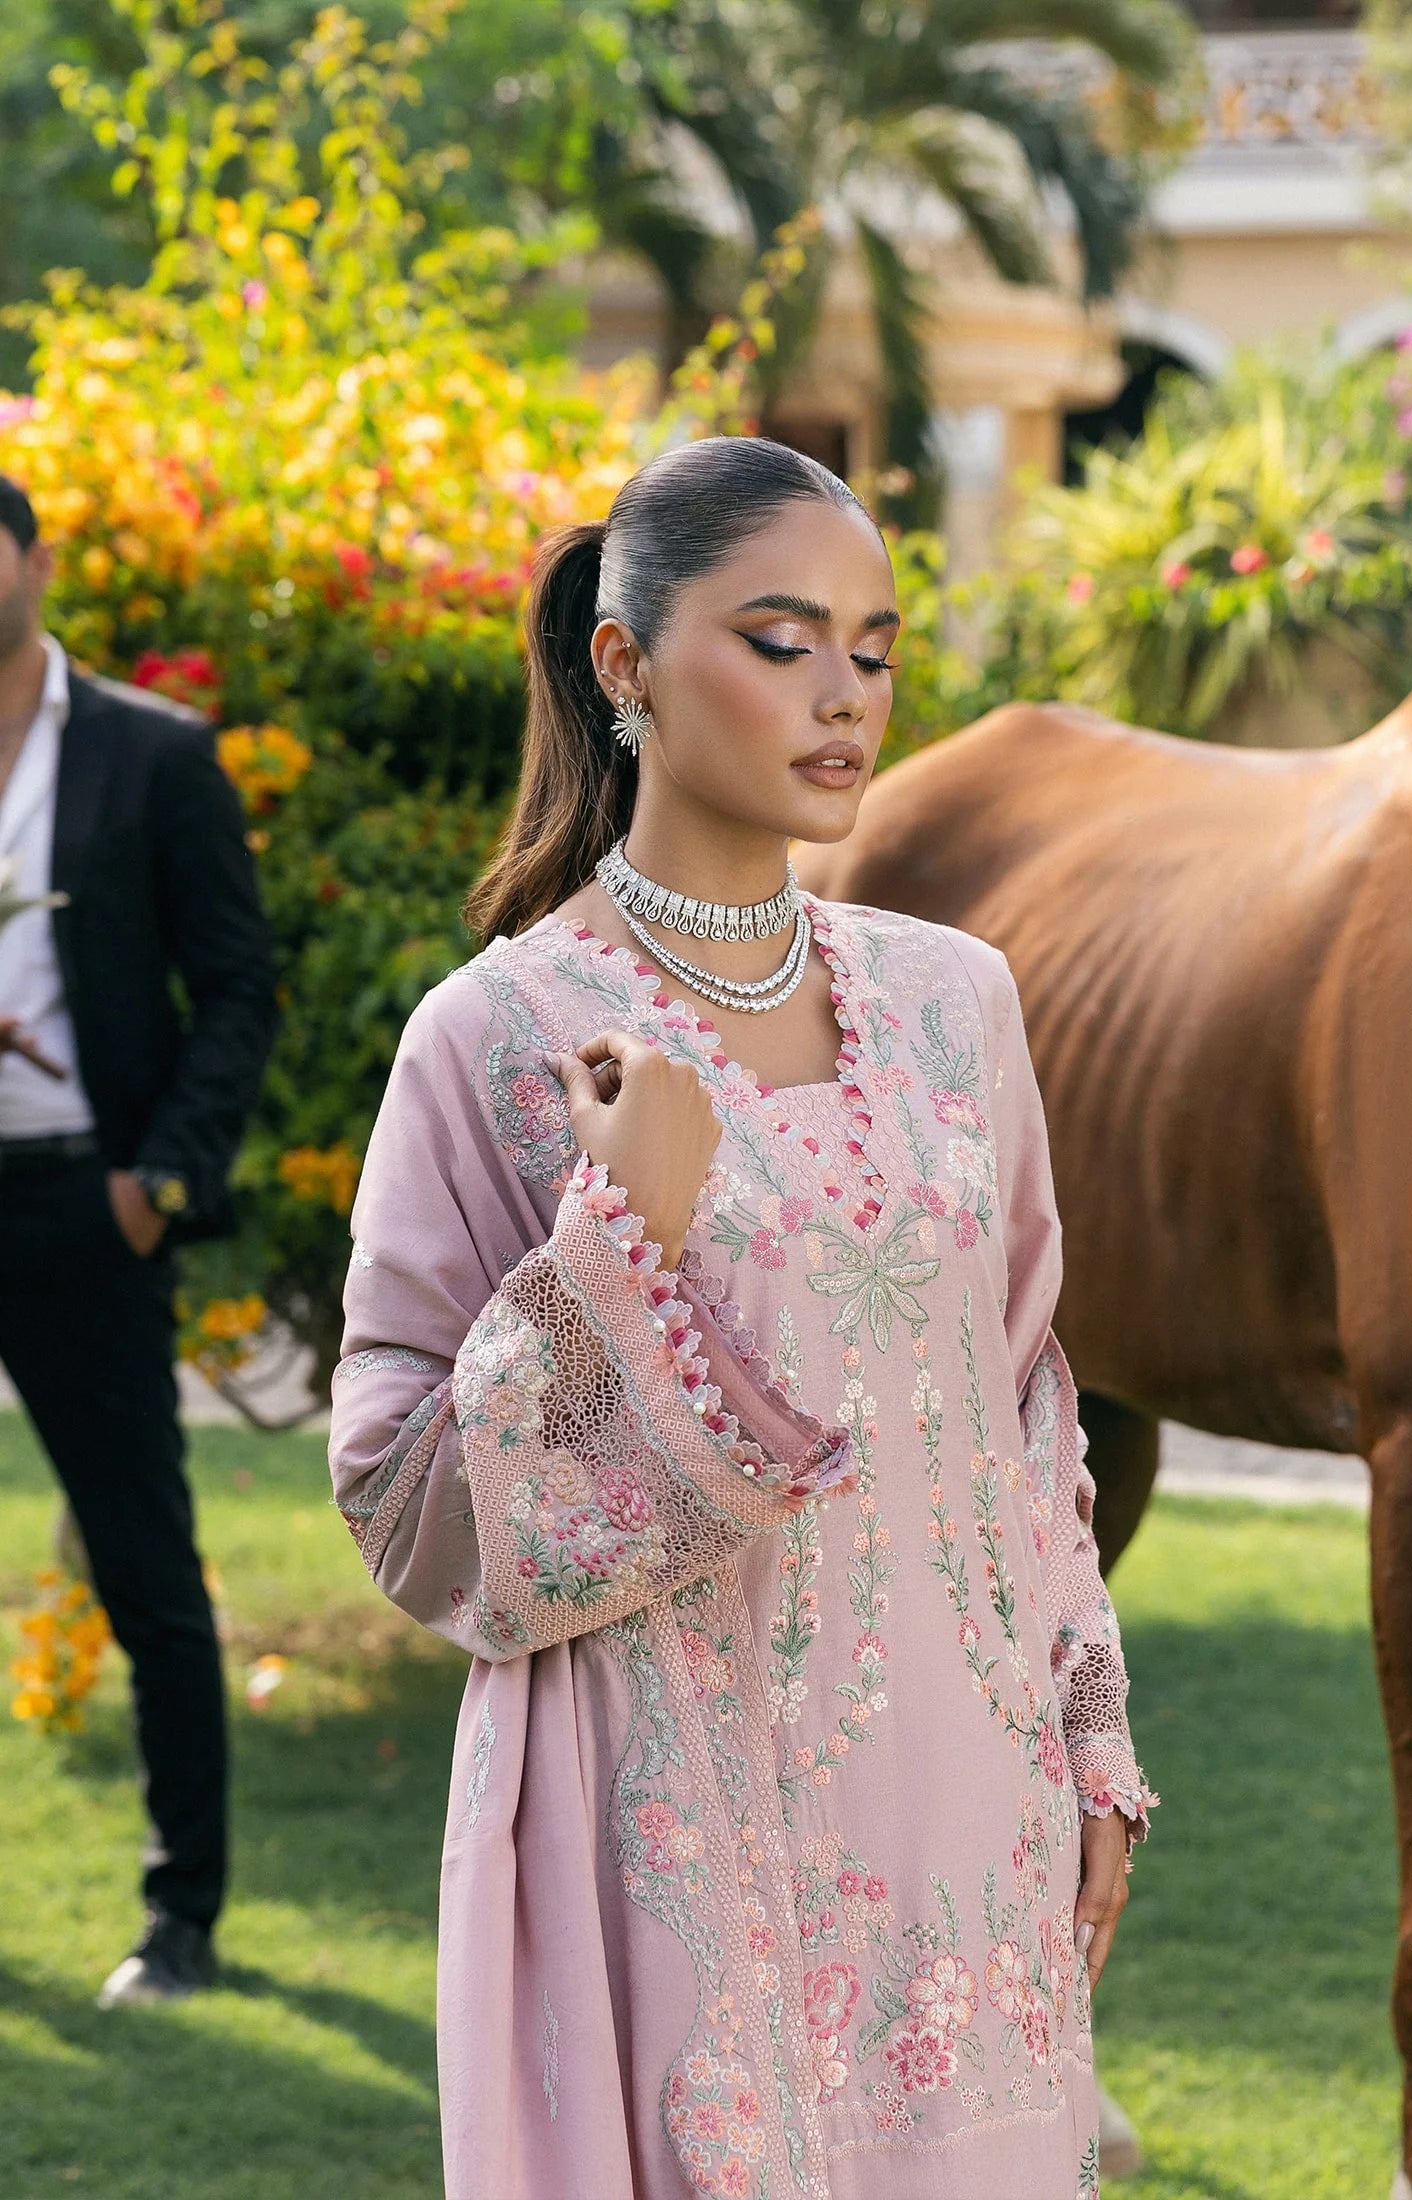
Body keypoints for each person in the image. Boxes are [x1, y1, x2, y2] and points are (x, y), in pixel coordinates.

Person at [329, 436, 1154, 2199]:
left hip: (966, 1813)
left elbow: (1022, 1406)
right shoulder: (495, 1038)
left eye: (874, 648)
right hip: (676, 1832)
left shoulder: (956, 1002)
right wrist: (616, 1238)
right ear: (623, 665)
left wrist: (1088, 1732)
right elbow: (408, 1509)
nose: (843, 694)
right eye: (781, 642)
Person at [0, 474, 277, 2006]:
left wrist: (157, 1180)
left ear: (36, 562)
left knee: (145, 1570)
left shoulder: (151, 753)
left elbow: (236, 984)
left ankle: (184, 1918)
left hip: (83, 1203)